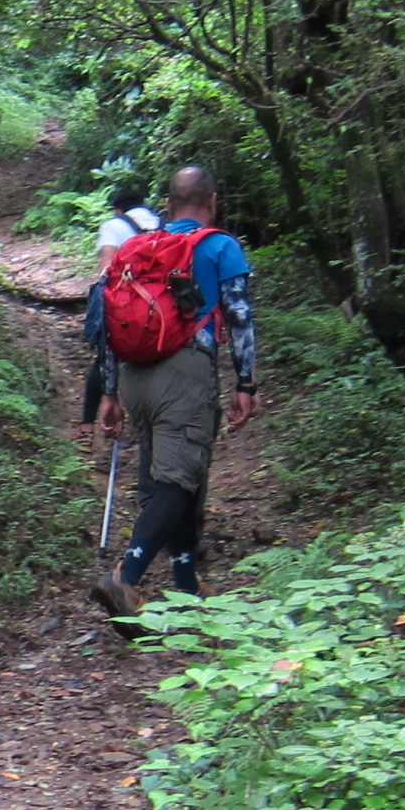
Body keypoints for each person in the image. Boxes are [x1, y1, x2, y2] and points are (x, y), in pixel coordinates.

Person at [89, 165, 258, 615]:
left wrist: (110, 392)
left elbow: (108, 318)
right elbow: (239, 317)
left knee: (176, 477)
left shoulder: (136, 248)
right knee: (179, 481)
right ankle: (126, 577)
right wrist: (245, 382)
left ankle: (185, 583)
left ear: (167, 205)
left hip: (135, 374)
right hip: (185, 373)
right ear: (213, 202)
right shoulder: (221, 245)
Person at [80, 188, 161, 439]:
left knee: (105, 358)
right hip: (159, 308)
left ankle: (86, 427)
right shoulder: (163, 222)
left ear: (118, 209)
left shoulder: (114, 225)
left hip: (126, 304)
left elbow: (106, 271)